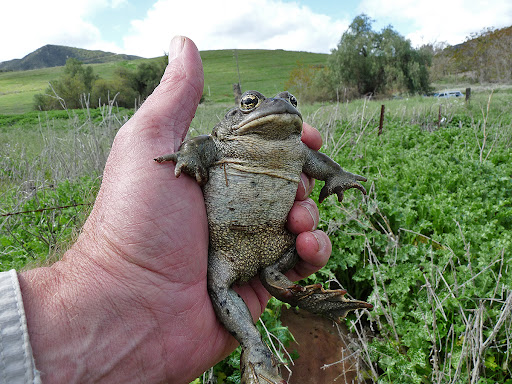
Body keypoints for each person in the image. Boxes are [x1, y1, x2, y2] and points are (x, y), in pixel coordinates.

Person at [0, 36, 334, 383]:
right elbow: (200, 146)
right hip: (225, 252)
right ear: (237, 112)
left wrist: (337, 177)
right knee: (227, 283)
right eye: (251, 102)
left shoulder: (296, 149)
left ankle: (283, 286)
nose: (278, 108)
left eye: (291, 102)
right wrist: (188, 157)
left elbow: (323, 165)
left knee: (299, 247)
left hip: (271, 242)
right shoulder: (224, 141)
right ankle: (254, 346)